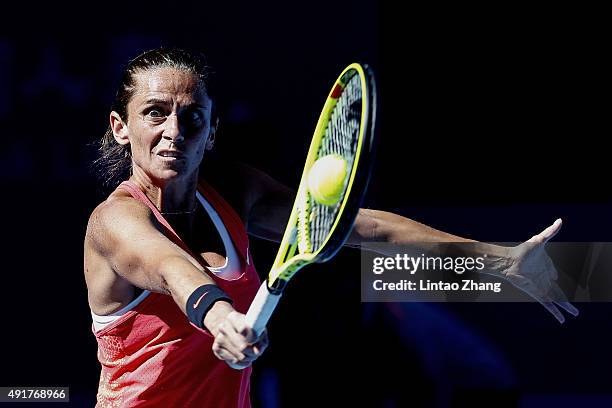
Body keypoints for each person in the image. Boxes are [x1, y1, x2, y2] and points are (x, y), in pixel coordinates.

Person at [84, 47, 578, 407]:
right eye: (154, 114)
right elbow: (172, 268)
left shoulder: (233, 191)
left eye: (192, 117)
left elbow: (365, 228)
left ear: (211, 130)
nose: (174, 131)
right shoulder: (115, 221)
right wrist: (221, 319)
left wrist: (496, 258)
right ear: (120, 127)